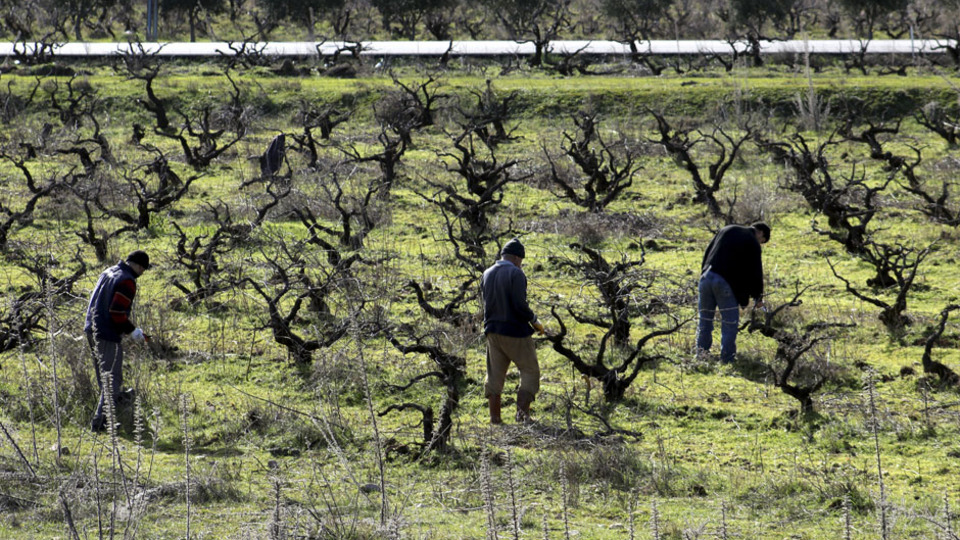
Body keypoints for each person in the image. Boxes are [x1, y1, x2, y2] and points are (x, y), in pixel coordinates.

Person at [84, 250, 151, 432]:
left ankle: (115, 409)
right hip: (107, 333)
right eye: (143, 269)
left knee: (104, 378)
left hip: (91, 329)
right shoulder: (127, 281)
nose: (143, 273)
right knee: (112, 379)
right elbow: (117, 313)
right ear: (138, 266)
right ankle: (101, 423)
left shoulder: (109, 272)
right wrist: (134, 332)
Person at [480, 238, 545, 424]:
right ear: (517, 258)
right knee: (530, 370)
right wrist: (534, 320)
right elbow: (519, 305)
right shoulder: (516, 273)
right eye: (521, 261)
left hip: (492, 331)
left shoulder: (487, 273)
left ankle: (495, 419)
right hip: (515, 331)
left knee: (494, 374)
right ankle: (522, 417)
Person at [696, 222, 770, 364]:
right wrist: (758, 296)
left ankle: (701, 356)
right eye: (762, 241)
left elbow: (708, 252)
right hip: (725, 283)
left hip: (706, 277)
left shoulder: (727, 229)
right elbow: (755, 272)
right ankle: (727, 359)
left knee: (704, 320)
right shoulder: (752, 242)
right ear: (760, 233)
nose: (760, 243)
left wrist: (703, 273)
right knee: (730, 323)